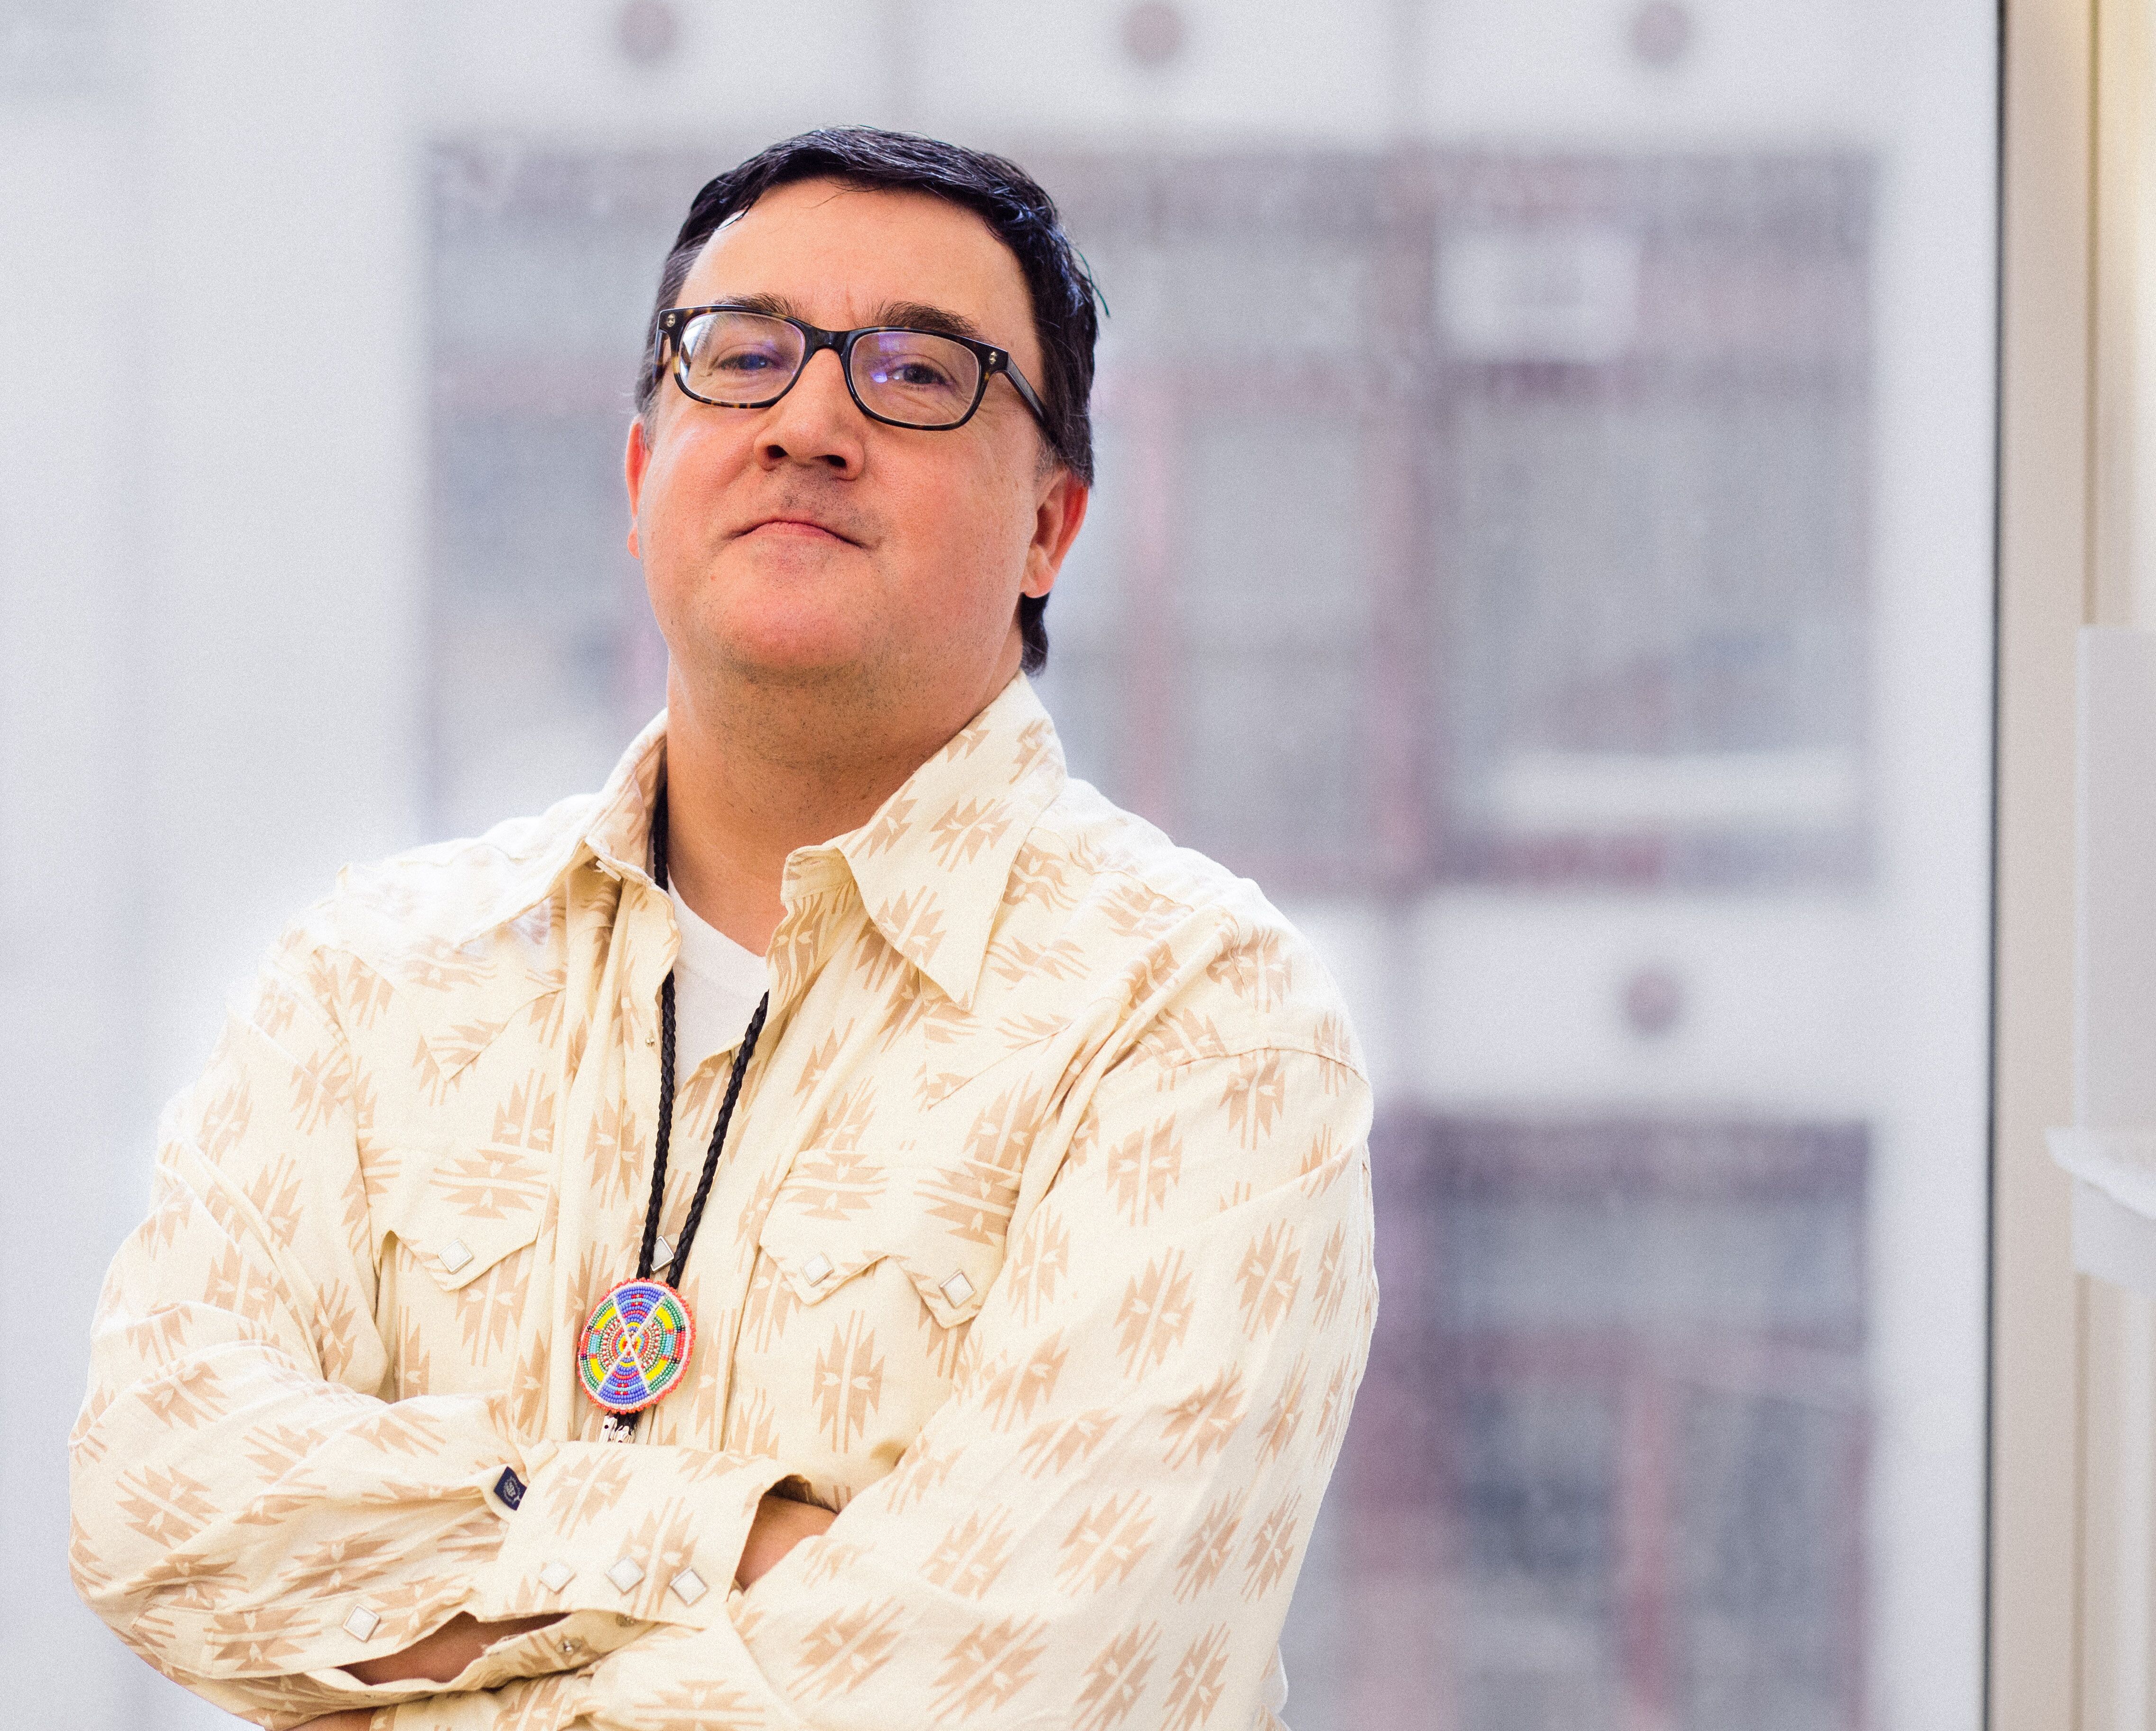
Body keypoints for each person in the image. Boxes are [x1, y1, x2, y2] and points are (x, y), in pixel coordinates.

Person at [71, 126, 1376, 1731]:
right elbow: (154, 1496)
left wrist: (415, 1641)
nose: (810, 421)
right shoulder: (373, 980)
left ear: (1052, 528)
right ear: (641, 481)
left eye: (918, 373)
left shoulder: (1199, 1024)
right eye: (742, 356)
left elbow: (1015, 1695)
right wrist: (728, 1541)